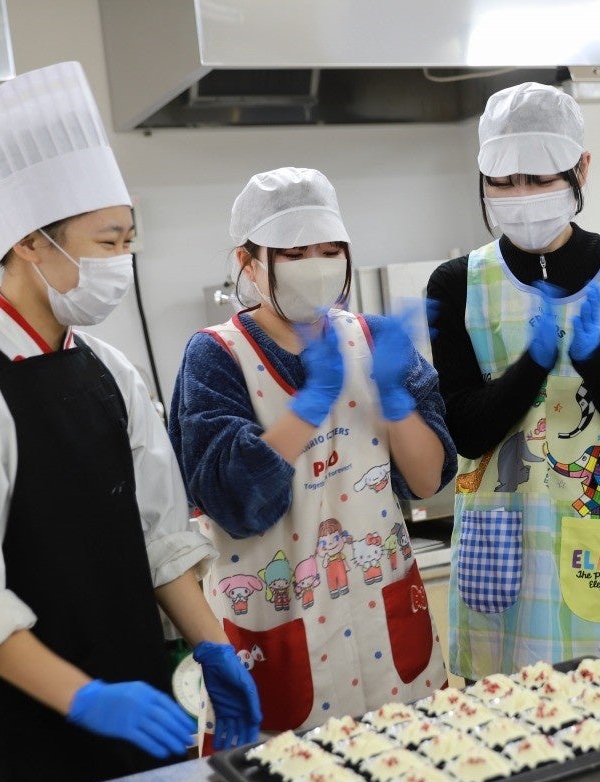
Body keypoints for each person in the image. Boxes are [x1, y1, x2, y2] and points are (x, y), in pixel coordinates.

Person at [0, 63, 260, 782]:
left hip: (137, 709)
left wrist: (211, 643)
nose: (122, 260)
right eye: (108, 240)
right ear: (31, 241)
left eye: (129, 239)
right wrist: (85, 697)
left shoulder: (109, 371)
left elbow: (160, 534)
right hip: (25, 726)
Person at [168, 168, 454, 736]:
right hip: (280, 629)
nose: (317, 265)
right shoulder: (214, 357)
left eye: (330, 250)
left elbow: (429, 480)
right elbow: (236, 505)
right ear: (249, 262)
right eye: (295, 252)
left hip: (385, 624)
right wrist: (310, 402)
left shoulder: (370, 339)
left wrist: (395, 397)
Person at [428, 83, 600, 681]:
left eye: (539, 180)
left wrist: (591, 356)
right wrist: (533, 364)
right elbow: (466, 430)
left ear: (581, 170)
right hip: (504, 546)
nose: (522, 197)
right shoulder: (458, 282)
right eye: (503, 182)